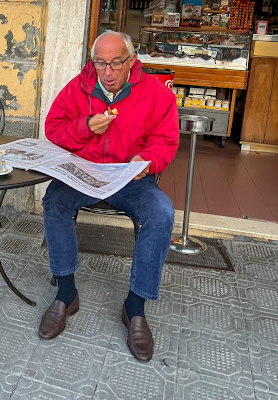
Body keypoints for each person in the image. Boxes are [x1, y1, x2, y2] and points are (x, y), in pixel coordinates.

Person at [39, 31, 179, 362]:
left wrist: (145, 160)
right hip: (85, 173)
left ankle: (135, 307)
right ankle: (66, 293)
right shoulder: (79, 87)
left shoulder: (156, 94)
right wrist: (87, 125)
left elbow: (166, 140)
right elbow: (54, 129)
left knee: (161, 212)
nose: (108, 71)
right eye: (100, 63)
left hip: (130, 179)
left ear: (131, 61)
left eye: (116, 62)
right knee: (54, 201)